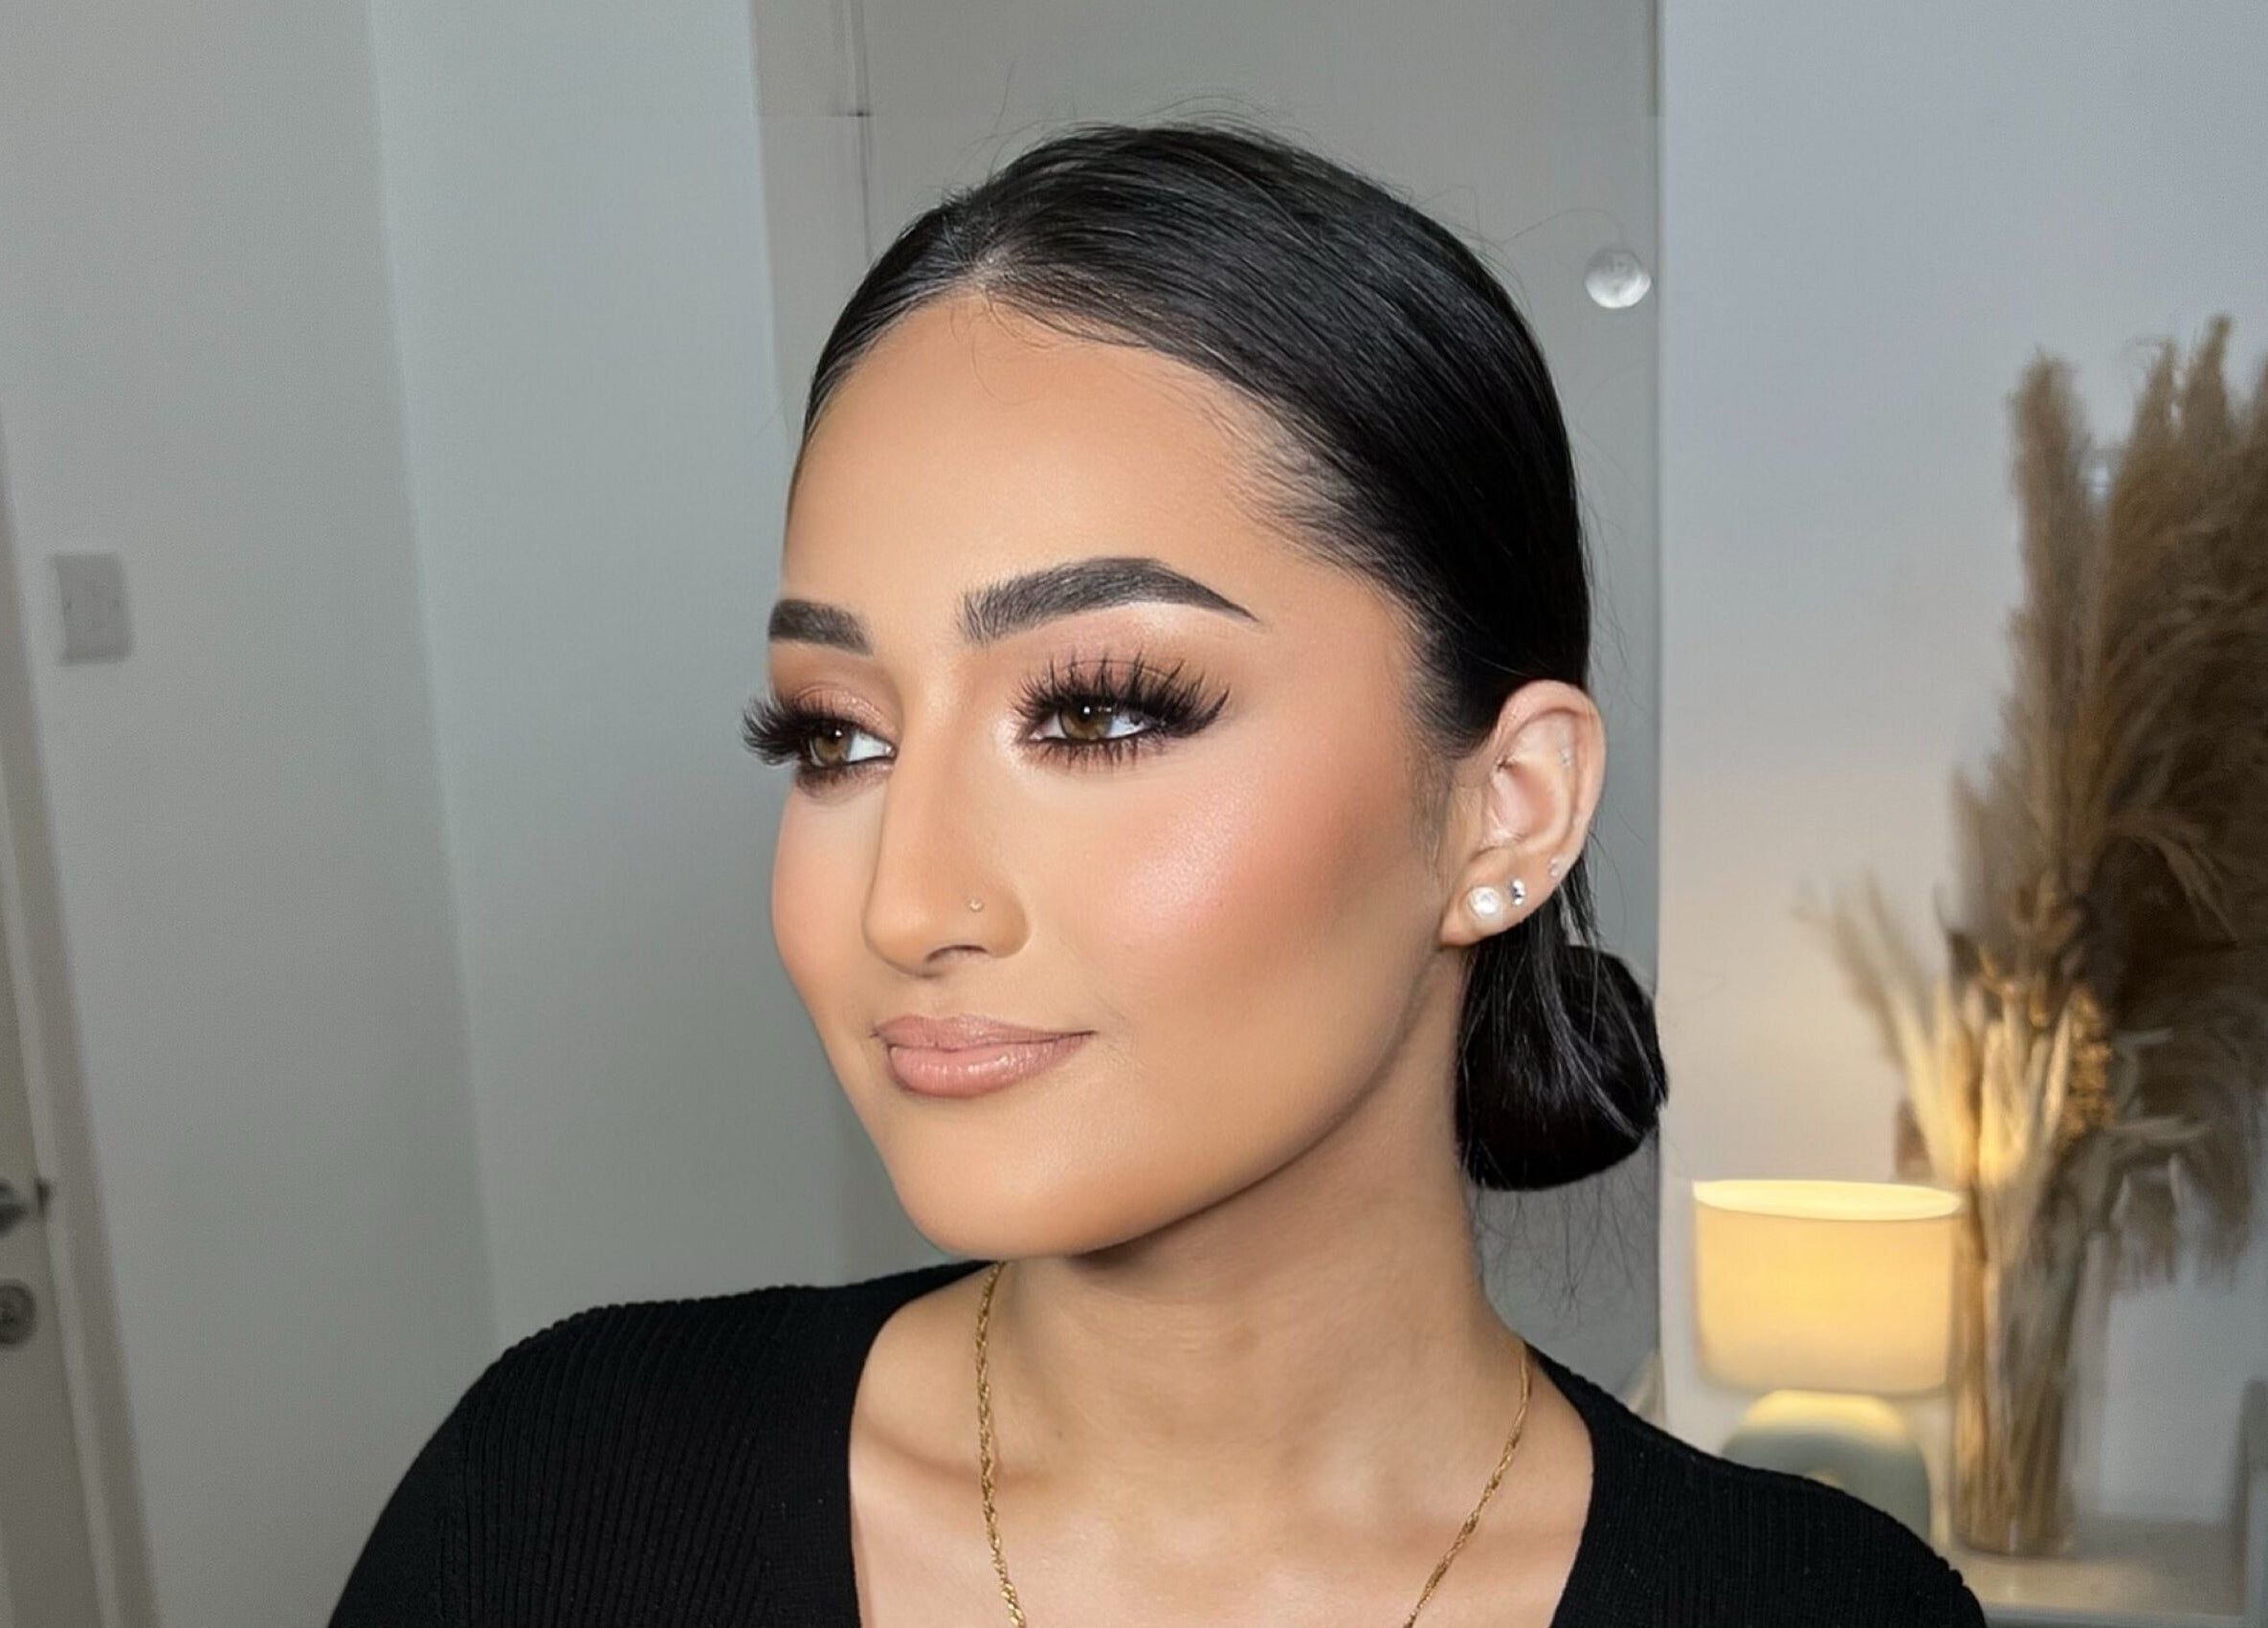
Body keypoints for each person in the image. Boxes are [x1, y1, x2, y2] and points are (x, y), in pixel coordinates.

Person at [329, 116, 1987, 1626]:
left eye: (1099, 711)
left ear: (1506, 808)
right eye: (835, 735)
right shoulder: (551, 1498)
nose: (907, 903)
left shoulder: (1826, 1614)